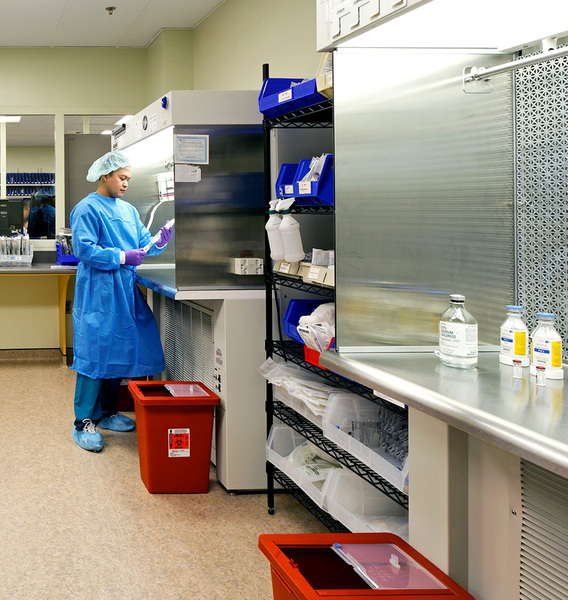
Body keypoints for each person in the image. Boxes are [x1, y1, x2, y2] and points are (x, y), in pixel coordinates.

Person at [70, 150, 173, 452]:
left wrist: (158, 241)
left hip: (124, 289)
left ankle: (108, 412)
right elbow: (84, 249)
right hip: (98, 291)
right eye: (122, 178)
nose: (126, 183)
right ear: (106, 176)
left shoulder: (127, 210)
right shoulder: (86, 208)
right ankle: (84, 421)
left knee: (117, 349)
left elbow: (142, 245)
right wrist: (120, 256)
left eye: (129, 178)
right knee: (94, 353)